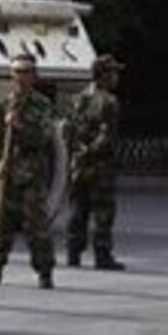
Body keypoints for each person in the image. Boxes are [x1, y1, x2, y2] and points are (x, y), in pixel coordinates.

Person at [0, 54, 57, 289]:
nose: (22, 77)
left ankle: (44, 271)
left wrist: (21, 127)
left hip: (31, 175)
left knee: (35, 226)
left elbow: (44, 138)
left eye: (27, 72)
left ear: (34, 76)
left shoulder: (42, 105)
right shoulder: (3, 106)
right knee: (0, 224)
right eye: (17, 72)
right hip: (7, 174)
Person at [66, 53, 126, 270]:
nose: (116, 77)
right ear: (103, 75)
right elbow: (106, 135)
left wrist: (78, 153)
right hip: (100, 165)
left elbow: (68, 130)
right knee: (103, 210)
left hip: (78, 164)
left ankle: (73, 253)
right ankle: (102, 254)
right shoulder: (108, 101)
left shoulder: (77, 98)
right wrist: (92, 152)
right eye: (113, 72)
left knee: (77, 209)